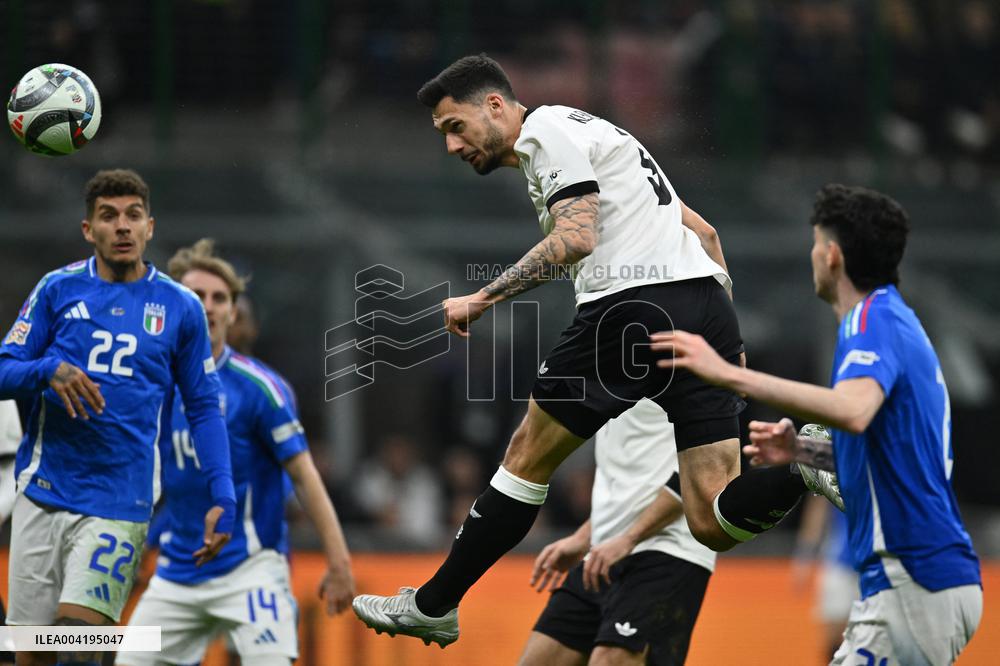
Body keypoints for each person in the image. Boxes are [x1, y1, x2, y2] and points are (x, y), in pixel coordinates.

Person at [355, 54, 810, 648]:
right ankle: (807, 464)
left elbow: (576, 237)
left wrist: (482, 298)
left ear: (495, 105)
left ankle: (435, 603)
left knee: (527, 453)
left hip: (630, 309)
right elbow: (704, 233)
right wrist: (725, 342)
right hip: (704, 305)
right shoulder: (599, 132)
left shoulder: (545, 132)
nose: (452, 146)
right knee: (711, 518)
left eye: (455, 127)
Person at [650, 184, 982, 664]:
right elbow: (894, 460)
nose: (812, 255)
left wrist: (728, 374)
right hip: (929, 579)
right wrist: (805, 452)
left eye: (815, 243)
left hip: (913, 579)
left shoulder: (873, 321)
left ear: (832, 256)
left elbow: (853, 411)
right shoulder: (890, 320)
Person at [0, 169, 236, 666]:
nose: (122, 226)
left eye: (133, 215)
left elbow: (203, 407)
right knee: (32, 655)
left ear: (150, 227)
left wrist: (223, 494)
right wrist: (47, 370)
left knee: (77, 646)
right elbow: (4, 370)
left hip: (119, 500)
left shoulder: (180, 307)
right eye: (109, 216)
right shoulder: (56, 290)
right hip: (42, 491)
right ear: (89, 230)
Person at [119, 239, 355, 666]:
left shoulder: (260, 389)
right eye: (197, 295)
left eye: (219, 298)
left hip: (249, 570)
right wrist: (141, 544)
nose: (208, 307)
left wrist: (338, 561)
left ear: (233, 312)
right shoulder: (152, 382)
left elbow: (303, 475)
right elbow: (161, 481)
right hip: (176, 574)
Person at [518, 399, 715, 666]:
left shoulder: (695, 375)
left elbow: (704, 470)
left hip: (670, 548)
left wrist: (629, 537)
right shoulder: (612, 379)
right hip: (607, 549)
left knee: (610, 660)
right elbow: (629, 476)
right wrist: (584, 537)